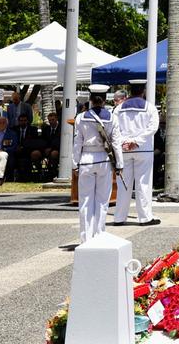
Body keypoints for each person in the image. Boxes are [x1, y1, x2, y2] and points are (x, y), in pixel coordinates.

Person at [73, 84, 124, 243]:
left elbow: (77, 143)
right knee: (102, 200)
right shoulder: (112, 117)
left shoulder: (81, 117)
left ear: (90, 99)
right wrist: (120, 164)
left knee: (85, 200)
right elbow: (116, 143)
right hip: (104, 159)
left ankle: (85, 238)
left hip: (86, 159)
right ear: (105, 99)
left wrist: (75, 164)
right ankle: (99, 235)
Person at [112, 82, 160, 227]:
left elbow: (114, 129)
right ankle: (145, 217)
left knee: (123, 184)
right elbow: (153, 127)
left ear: (129, 91)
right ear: (143, 91)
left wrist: (124, 142)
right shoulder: (150, 107)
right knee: (143, 183)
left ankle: (119, 217)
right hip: (143, 149)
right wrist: (137, 141)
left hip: (124, 149)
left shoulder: (119, 108)